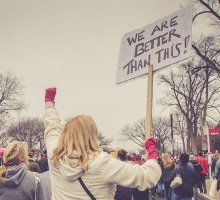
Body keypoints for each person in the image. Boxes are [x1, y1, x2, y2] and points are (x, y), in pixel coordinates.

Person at [43, 87, 161, 200]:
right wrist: (151, 151)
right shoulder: (100, 163)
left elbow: (52, 128)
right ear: (91, 136)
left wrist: (49, 104)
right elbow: (147, 176)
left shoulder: (55, 157)